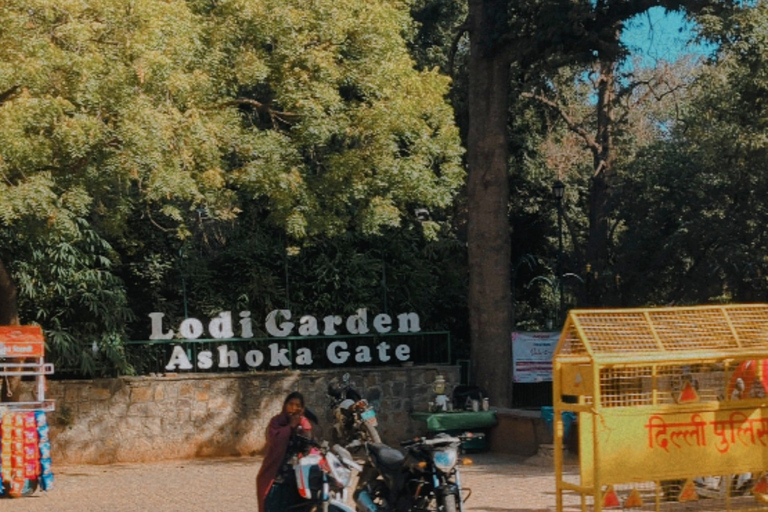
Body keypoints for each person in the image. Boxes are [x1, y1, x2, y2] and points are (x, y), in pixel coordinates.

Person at [256, 391, 314, 512]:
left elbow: (308, 447)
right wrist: (290, 427)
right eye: (291, 404)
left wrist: (302, 428)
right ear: (285, 405)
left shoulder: (304, 424)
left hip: (295, 478)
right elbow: (274, 440)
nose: (293, 408)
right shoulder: (276, 422)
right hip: (276, 476)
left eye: (297, 405)